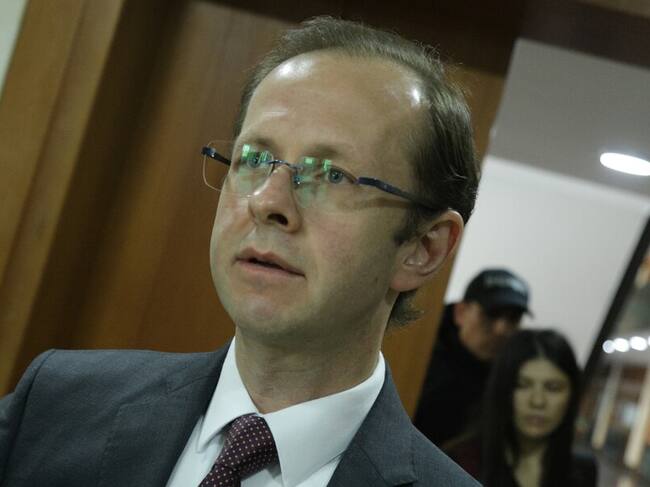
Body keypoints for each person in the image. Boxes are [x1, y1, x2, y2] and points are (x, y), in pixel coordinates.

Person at [0, 16, 481, 487]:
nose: (267, 202)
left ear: (423, 248)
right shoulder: (55, 403)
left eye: (331, 175)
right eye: (254, 159)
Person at [448, 329, 597, 486]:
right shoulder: (461, 462)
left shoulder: (582, 471)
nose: (537, 401)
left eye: (553, 388)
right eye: (522, 385)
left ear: (572, 394)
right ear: (502, 389)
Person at [414, 268, 531, 447]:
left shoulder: (518, 376)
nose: (501, 329)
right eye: (491, 314)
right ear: (460, 312)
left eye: (513, 319)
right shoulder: (414, 355)